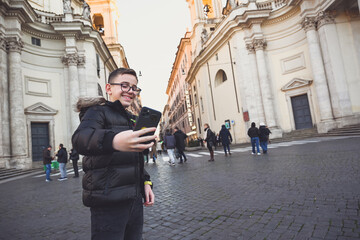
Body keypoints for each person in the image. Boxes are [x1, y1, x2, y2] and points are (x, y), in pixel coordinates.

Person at [72, 67, 155, 240]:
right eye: (124, 85)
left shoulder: (132, 118)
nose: (130, 91)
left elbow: (136, 159)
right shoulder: (96, 112)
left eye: (134, 88)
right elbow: (80, 139)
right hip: (108, 201)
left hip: (134, 200)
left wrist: (146, 182)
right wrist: (114, 141)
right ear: (109, 88)